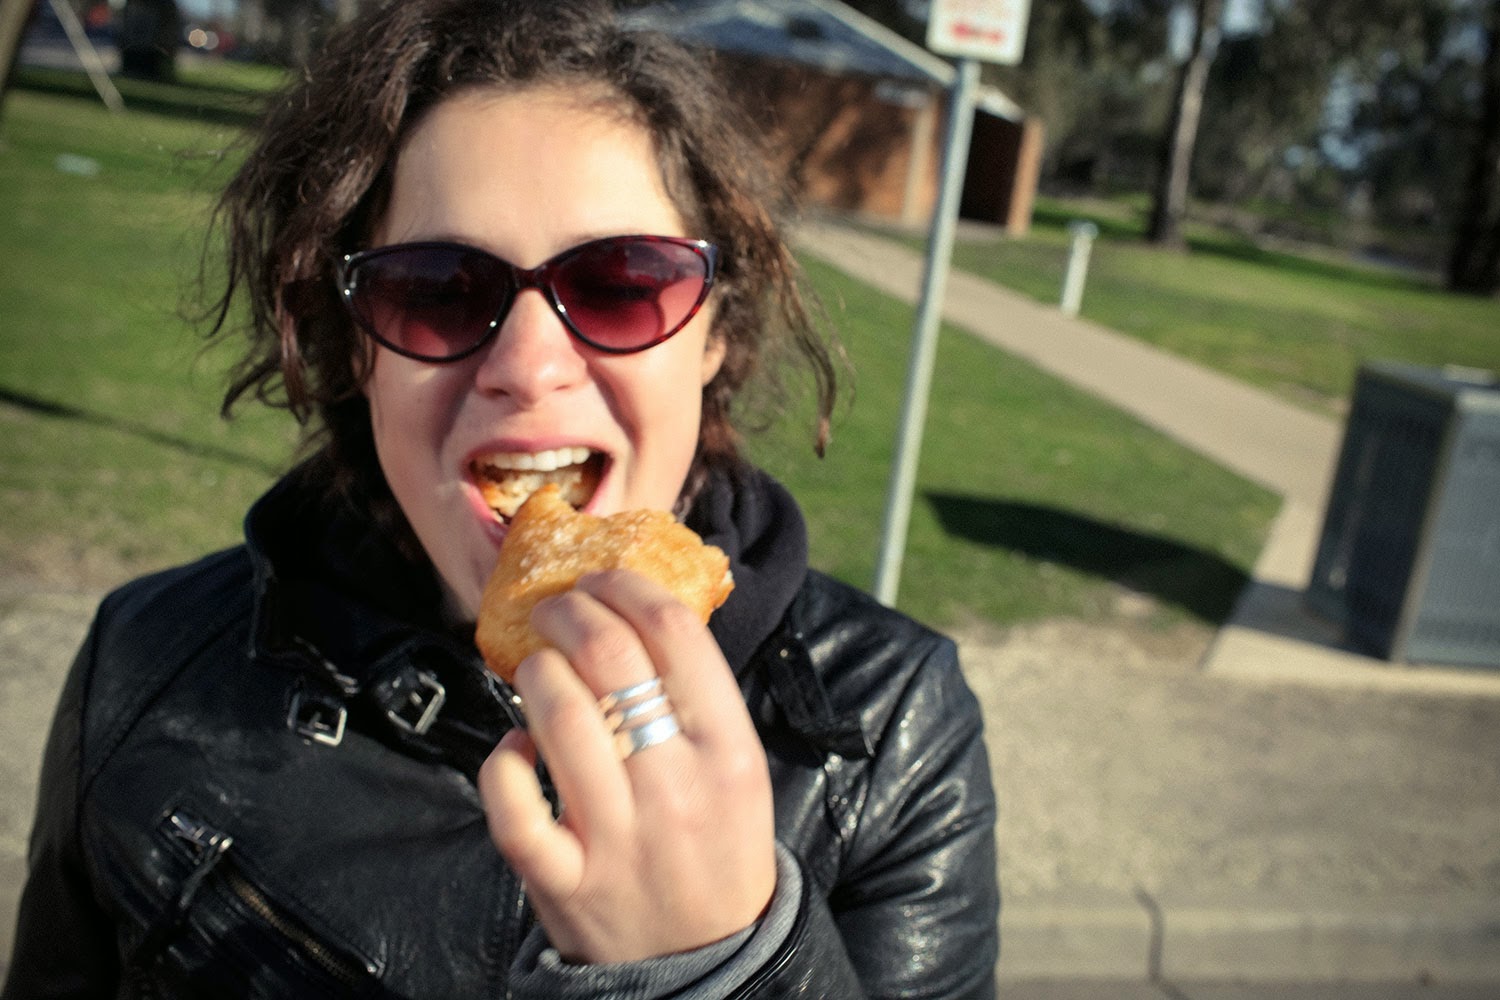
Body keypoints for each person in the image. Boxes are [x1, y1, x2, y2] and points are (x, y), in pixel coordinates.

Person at [2, 0, 999, 995]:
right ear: (355, 344)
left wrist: (722, 965)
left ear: (713, 333)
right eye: (434, 288)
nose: (528, 366)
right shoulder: (146, 670)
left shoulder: (886, 735)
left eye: (620, 282)